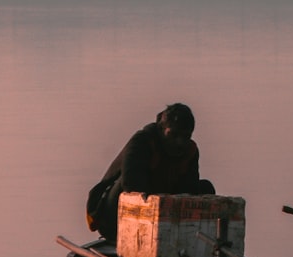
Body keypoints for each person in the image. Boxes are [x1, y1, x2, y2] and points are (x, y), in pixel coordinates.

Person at [85, 102, 215, 241]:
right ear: (161, 129)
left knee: (206, 188)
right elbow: (132, 186)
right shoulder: (142, 141)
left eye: (185, 137)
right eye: (174, 135)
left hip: (161, 211)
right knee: (130, 187)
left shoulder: (190, 151)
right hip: (116, 216)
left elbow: (190, 191)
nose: (179, 142)